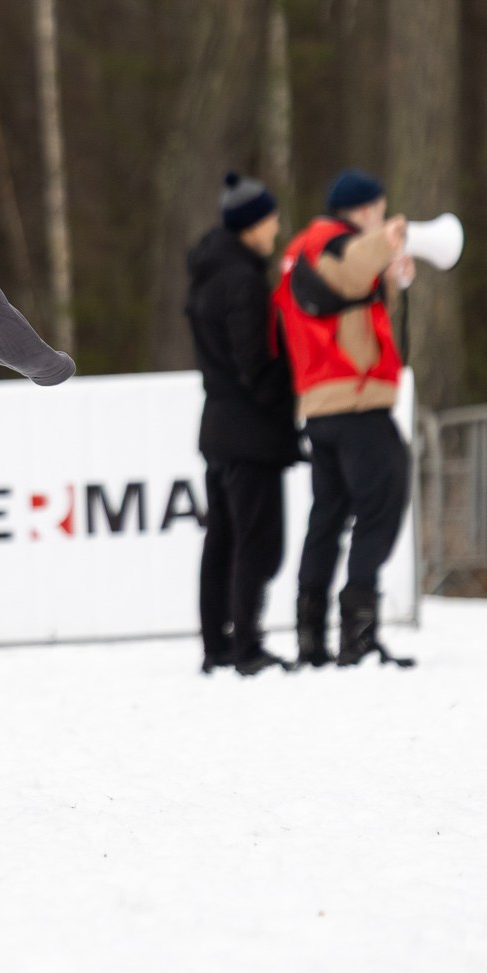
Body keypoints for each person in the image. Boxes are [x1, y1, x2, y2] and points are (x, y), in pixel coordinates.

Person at [271, 168, 416, 669]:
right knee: (384, 498)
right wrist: (386, 243)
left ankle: (312, 636)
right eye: (378, 209)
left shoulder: (300, 249)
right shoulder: (331, 240)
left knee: (328, 515)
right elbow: (351, 268)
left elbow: (341, 300)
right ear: (366, 210)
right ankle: (358, 632)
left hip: (319, 402)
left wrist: (392, 279)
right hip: (353, 399)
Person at [183, 172, 295, 677]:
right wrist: (286, 392)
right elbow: (254, 362)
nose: (275, 228)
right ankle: (247, 644)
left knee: (222, 539)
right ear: (250, 225)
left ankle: (217, 643)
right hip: (249, 431)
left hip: (219, 428)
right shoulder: (243, 280)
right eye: (270, 219)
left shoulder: (209, 273)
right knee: (256, 540)